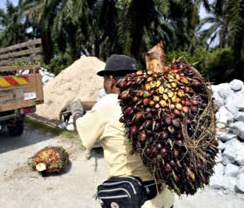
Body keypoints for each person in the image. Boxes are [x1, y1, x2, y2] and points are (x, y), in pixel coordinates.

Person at [60, 54, 174, 208]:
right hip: (164, 198)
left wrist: (76, 111)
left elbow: (82, 131)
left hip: (132, 198)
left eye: (104, 80)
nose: (104, 84)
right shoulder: (150, 101)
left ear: (111, 79)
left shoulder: (107, 103)